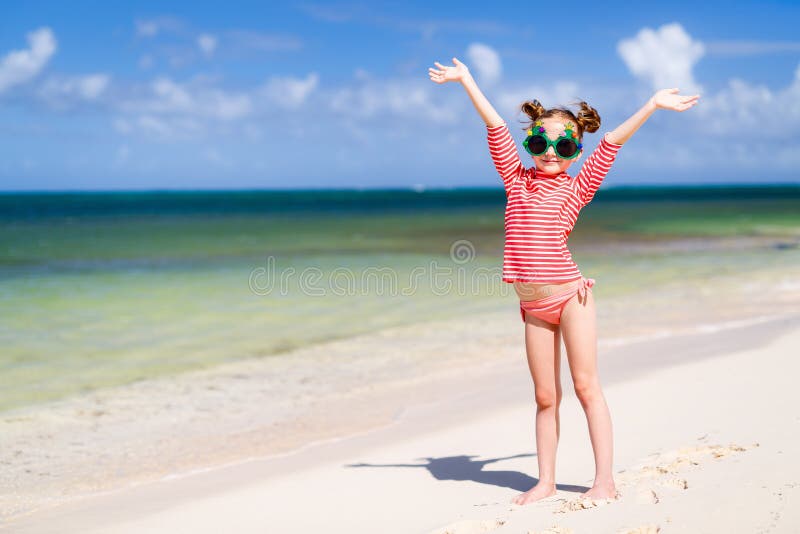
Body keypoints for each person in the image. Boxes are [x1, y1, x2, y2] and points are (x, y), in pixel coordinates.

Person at [428, 57, 699, 505]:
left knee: (586, 387)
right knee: (545, 396)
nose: (551, 152)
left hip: (572, 298)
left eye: (565, 147)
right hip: (532, 305)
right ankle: (546, 481)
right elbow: (496, 128)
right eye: (541, 142)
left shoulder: (576, 189)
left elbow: (610, 144)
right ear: (530, 141)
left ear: (575, 150)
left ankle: (604, 481)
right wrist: (467, 81)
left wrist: (651, 104)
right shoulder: (515, 180)